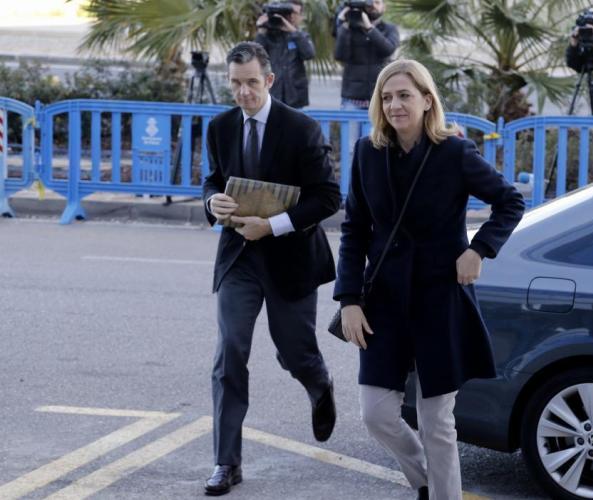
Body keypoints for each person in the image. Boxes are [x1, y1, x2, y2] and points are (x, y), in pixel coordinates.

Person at [333, 59, 525, 500]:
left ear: (426, 100)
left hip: (440, 299)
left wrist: (479, 250)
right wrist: (349, 299)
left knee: (437, 420)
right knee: (376, 414)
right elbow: (354, 230)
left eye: (404, 95)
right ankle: (426, 478)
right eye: (386, 97)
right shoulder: (367, 152)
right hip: (383, 301)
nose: (394, 105)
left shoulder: (454, 153)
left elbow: (509, 201)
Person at [202, 41, 340, 496]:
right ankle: (226, 462)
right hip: (238, 258)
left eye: (251, 83)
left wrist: (273, 226)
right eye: (235, 84)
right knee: (229, 353)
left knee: (294, 352)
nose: (243, 92)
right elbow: (214, 179)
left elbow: (327, 198)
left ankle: (319, 384)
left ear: (270, 80)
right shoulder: (220, 127)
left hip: (291, 258)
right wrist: (212, 201)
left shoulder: (301, 128)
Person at [334, 0, 400, 111]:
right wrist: (343, 25)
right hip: (352, 99)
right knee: (349, 123)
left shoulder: (390, 29)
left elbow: (388, 49)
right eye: (369, 2)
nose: (372, 6)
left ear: (384, 7)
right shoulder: (349, 28)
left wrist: (369, 28)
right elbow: (340, 56)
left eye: (377, 2)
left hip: (381, 96)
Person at [255, 0, 314, 109]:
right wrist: (261, 31)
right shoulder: (267, 36)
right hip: (273, 95)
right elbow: (256, 57)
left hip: (295, 97)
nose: (292, 17)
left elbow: (309, 54)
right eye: (289, 13)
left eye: (295, 13)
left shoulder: (301, 36)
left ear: (301, 16)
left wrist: (293, 31)